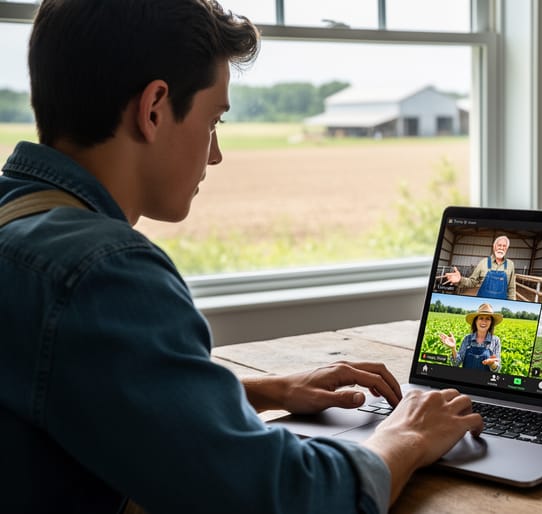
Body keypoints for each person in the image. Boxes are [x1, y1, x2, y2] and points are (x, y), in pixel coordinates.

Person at [0, 1, 482, 512]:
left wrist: (262, 390)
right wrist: (405, 435)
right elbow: (282, 497)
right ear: (154, 109)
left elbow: (72, 383)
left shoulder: (20, 227)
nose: (215, 154)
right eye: (214, 120)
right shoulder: (102, 271)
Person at [442, 235, 517, 300]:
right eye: (499, 245)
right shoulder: (483, 262)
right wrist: (460, 280)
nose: (501, 248)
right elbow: (472, 282)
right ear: (494, 247)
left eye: (504, 246)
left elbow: (511, 288)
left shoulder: (510, 264)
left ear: (507, 248)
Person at [438, 303, 503, 372]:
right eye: (481, 318)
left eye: (488, 319)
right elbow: (456, 364)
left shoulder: (495, 341)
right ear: (476, 321)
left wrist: (492, 363)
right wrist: (453, 348)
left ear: (491, 322)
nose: (484, 321)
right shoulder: (467, 339)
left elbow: (497, 369)